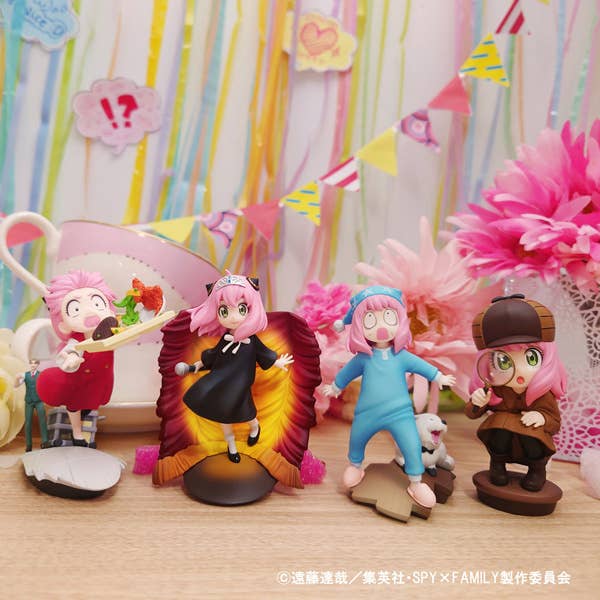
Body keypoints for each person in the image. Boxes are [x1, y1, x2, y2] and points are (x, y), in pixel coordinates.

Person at [324, 286, 455, 509]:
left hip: (400, 413)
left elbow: (421, 366)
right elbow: (347, 372)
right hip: (367, 412)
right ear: (359, 327)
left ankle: (416, 482)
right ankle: (355, 466)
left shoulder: (401, 356)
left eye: (388, 317)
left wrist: (438, 377)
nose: (381, 327)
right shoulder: (363, 358)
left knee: (411, 444)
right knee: (357, 439)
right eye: (370, 321)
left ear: (400, 320)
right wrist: (336, 387)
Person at [175, 273, 293, 463]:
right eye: (224, 311)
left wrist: (278, 362)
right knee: (223, 416)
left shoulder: (252, 341)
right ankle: (231, 447)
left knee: (248, 414)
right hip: (220, 385)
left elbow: (264, 354)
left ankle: (255, 427)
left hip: (240, 387)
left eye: (241, 308)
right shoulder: (225, 339)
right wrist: (196, 366)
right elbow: (213, 356)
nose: (233, 317)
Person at [465, 294, 567, 491]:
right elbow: (471, 413)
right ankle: (497, 465)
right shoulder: (495, 387)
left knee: (532, 436)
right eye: (503, 361)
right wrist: (477, 402)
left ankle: (536, 470)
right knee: (499, 429)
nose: (519, 370)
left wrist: (542, 417)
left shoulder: (543, 394)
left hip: (530, 439)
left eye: (531, 358)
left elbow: (554, 422)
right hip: (502, 435)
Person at [36, 270, 117, 446]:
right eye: (76, 309)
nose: (90, 313)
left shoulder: (110, 333)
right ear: (63, 322)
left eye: (97, 303)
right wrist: (70, 359)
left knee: (92, 402)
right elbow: (72, 350)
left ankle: (83, 425)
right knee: (75, 403)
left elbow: (122, 338)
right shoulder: (77, 339)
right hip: (80, 380)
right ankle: (77, 434)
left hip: (101, 379)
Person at [15, 359, 50, 452]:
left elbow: (45, 386)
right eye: (32, 363)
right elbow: (16, 386)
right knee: (28, 423)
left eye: (35, 363)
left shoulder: (41, 374)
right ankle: (28, 444)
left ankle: (45, 442)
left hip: (39, 401)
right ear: (30, 364)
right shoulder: (25, 375)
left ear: (38, 364)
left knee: (42, 421)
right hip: (29, 401)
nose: (33, 365)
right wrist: (17, 379)